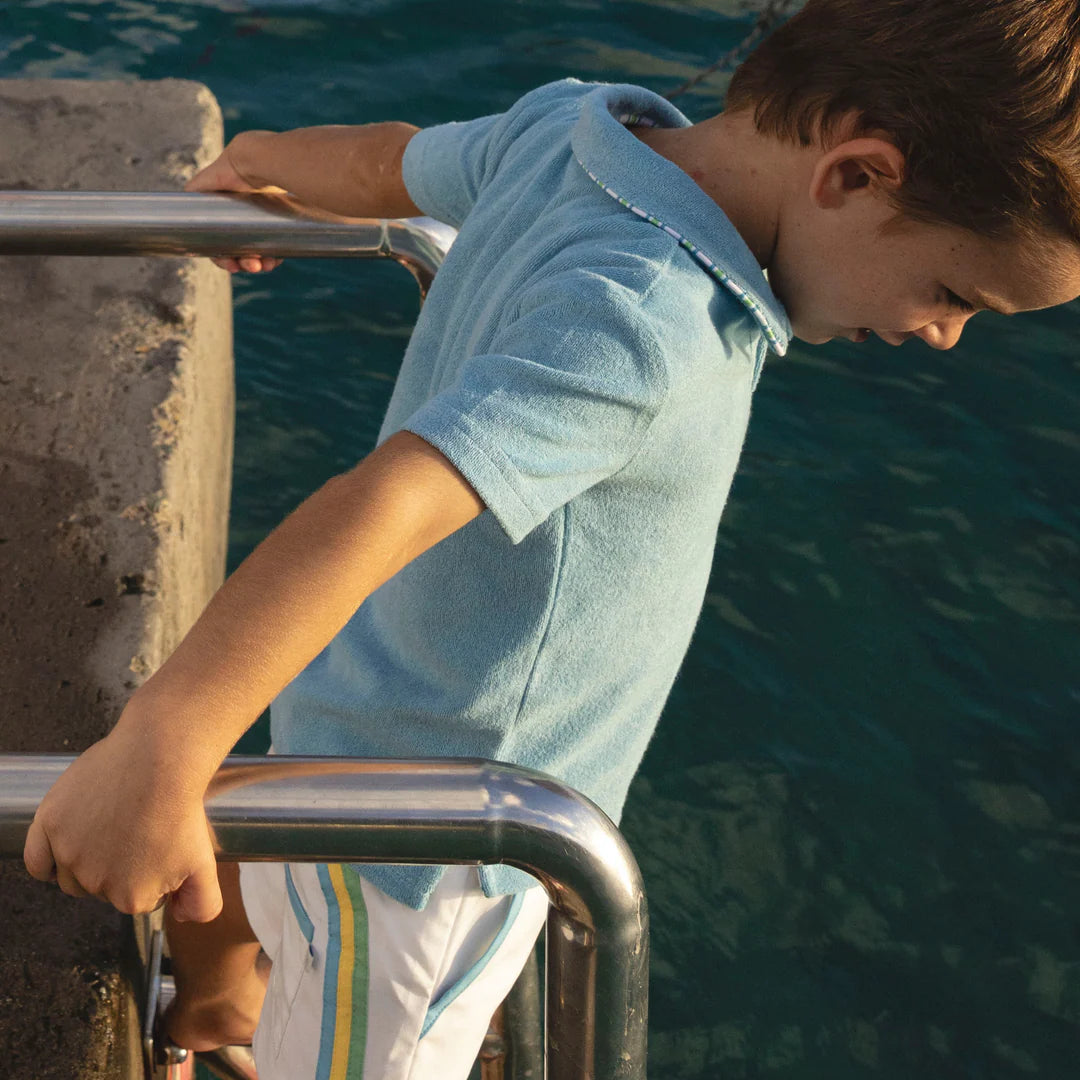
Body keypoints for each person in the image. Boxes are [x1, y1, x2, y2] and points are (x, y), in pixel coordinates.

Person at [23, 0, 1080, 1077]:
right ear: (855, 173)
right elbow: (385, 503)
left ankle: (211, 1005)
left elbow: (390, 163)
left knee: (274, 863)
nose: (944, 335)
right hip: (437, 849)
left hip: (353, 708)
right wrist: (165, 741)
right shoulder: (648, 324)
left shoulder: (577, 128)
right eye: (955, 293)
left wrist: (261, 166)